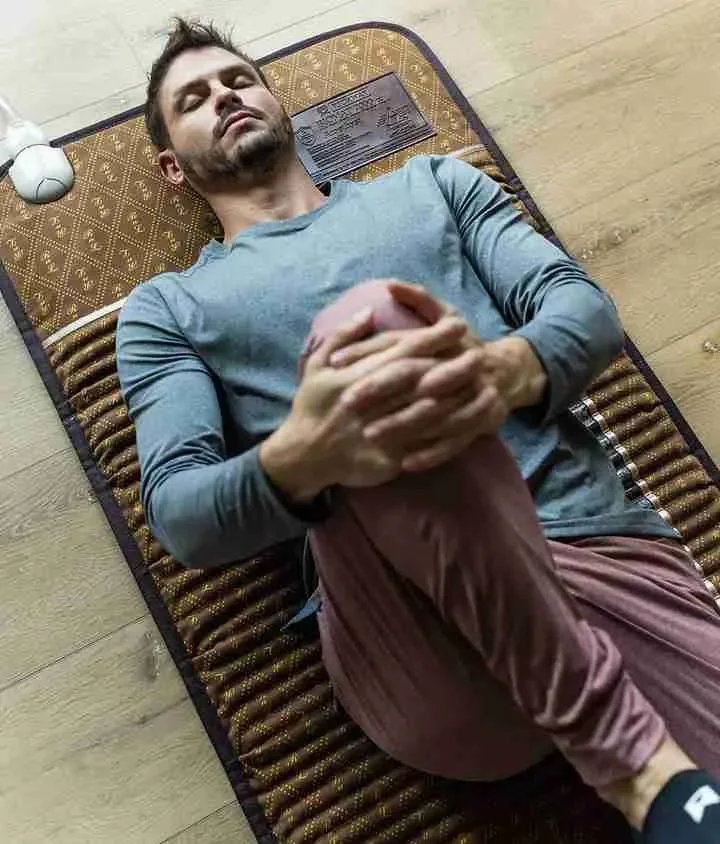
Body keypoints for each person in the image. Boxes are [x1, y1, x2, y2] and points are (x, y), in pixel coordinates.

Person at [116, 18, 720, 842]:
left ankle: (641, 767)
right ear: (170, 166)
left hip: (593, 554)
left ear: (277, 101)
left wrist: (496, 373)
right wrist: (313, 450)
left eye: (238, 78)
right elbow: (181, 515)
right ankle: (627, 754)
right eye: (195, 98)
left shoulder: (432, 185)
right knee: (373, 337)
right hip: (417, 643)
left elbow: (582, 311)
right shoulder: (167, 309)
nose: (225, 94)